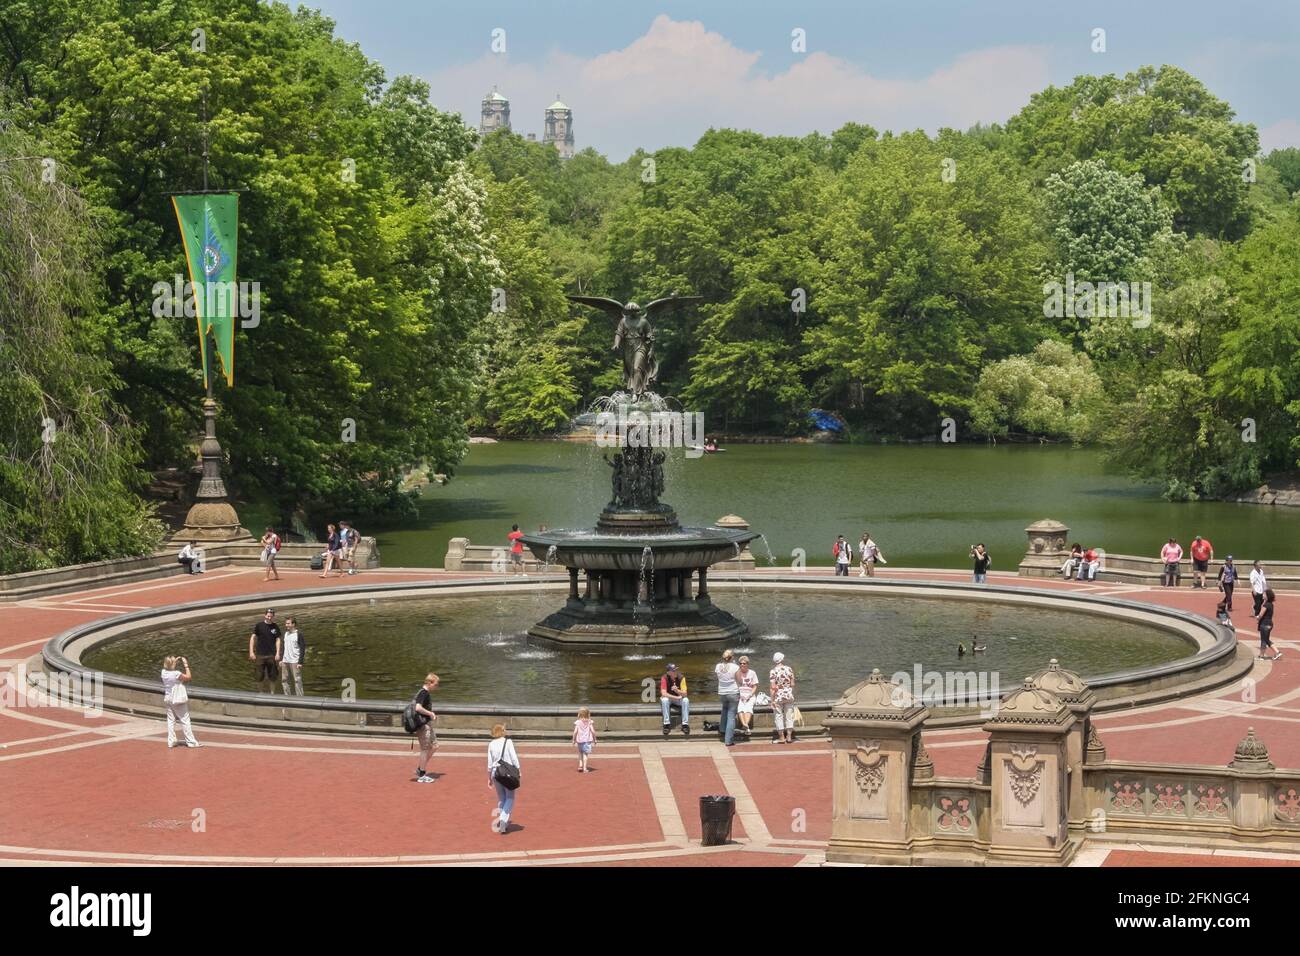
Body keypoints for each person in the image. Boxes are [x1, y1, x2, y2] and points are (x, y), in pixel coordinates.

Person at [161, 655, 200, 748]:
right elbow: (188, 677)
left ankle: (171, 741)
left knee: (170, 720)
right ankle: (191, 742)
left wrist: (174, 662)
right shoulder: (176, 674)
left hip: (168, 698)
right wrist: (186, 665)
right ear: (173, 664)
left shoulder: (163, 672)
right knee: (185, 720)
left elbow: (170, 668)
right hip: (177, 699)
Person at [488, 724, 521, 833]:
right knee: (510, 797)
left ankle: (504, 822)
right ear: (502, 731)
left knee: (502, 798)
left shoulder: (491, 744)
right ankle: (503, 818)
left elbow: (489, 763)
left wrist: (489, 778)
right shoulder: (508, 742)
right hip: (507, 773)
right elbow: (514, 757)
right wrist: (518, 769)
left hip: (496, 773)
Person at [412, 673, 440, 782]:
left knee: (435, 746)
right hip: (423, 726)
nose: (436, 687)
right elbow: (418, 708)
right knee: (425, 749)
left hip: (427, 724)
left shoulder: (425, 693)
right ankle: (422, 775)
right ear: (429, 683)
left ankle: (420, 768)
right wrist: (430, 713)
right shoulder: (423, 693)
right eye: (435, 684)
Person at [248, 609, 282, 694]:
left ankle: (272, 693)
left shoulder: (275, 626)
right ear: (265, 615)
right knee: (259, 676)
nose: (269, 618)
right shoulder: (259, 625)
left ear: (273, 616)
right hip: (260, 655)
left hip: (272, 655)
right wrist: (251, 652)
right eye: (268, 616)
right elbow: (252, 638)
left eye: (271, 616)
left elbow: (278, 640)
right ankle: (260, 693)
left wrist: (278, 653)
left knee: (273, 676)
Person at [715, 649, 741, 746]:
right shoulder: (735, 667)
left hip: (722, 692)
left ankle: (722, 730)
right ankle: (728, 740)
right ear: (732, 657)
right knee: (731, 716)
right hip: (733, 692)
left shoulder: (718, 666)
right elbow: (739, 680)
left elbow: (719, 678)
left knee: (724, 709)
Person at [769, 652, 796, 744]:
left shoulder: (773, 671)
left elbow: (773, 687)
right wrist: (788, 689)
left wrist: (772, 700)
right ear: (782, 659)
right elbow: (792, 684)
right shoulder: (789, 669)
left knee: (778, 716)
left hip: (778, 696)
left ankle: (781, 737)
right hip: (789, 695)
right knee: (789, 716)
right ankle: (789, 736)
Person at [659, 663, 690, 735]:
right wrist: (676, 697)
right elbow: (663, 693)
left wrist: (677, 691)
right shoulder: (664, 678)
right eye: (673, 671)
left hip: (678, 699)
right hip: (670, 698)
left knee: (686, 700)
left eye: (676, 670)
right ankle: (666, 725)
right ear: (668, 672)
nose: (676, 672)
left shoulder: (682, 678)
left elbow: (685, 694)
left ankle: (685, 725)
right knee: (664, 700)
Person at [280, 615, 306, 696]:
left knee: (297, 680)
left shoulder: (299, 634)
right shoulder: (285, 634)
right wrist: (281, 659)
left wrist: (300, 662)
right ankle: (287, 697)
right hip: (285, 661)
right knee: (284, 680)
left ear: (293, 624)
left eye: (288, 623)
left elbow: (302, 648)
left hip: (295, 661)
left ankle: (300, 698)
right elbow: (284, 647)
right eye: (286, 623)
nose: (286, 625)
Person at [1254, 589, 1282, 662]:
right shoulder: (1270, 604)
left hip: (1264, 624)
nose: (1263, 595)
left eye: (1264, 594)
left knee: (1264, 640)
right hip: (1269, 623)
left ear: (1267, 596)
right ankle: (1277, 652)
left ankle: (1262, 655)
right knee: (1266, 639)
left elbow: (1260, 614)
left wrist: (1257, 617)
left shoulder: (1266, 605)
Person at [735, 655, 759, 736]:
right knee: (740, 707)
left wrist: (750, 695)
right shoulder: (737, 673)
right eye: (740, 663)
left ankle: (745, 725)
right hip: (740, 695)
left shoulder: (752, 673)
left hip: (750, 694)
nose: (742, 665)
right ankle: (746, 726)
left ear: (747, 664)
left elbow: (755, 686)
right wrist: (740, 695)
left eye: (744, 663)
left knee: (748, 707)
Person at [572, 706, 596, 773]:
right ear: (588, 714)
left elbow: (575, 732)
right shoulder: (589, 722)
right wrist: (595, 739)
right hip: (587, 741)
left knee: (580, 753)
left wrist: (573, 740)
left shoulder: (578, 722)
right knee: (585, 754)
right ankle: (585, 768)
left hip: (579, 740)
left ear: (579, 714)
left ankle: (580, 765)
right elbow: (593, 731)